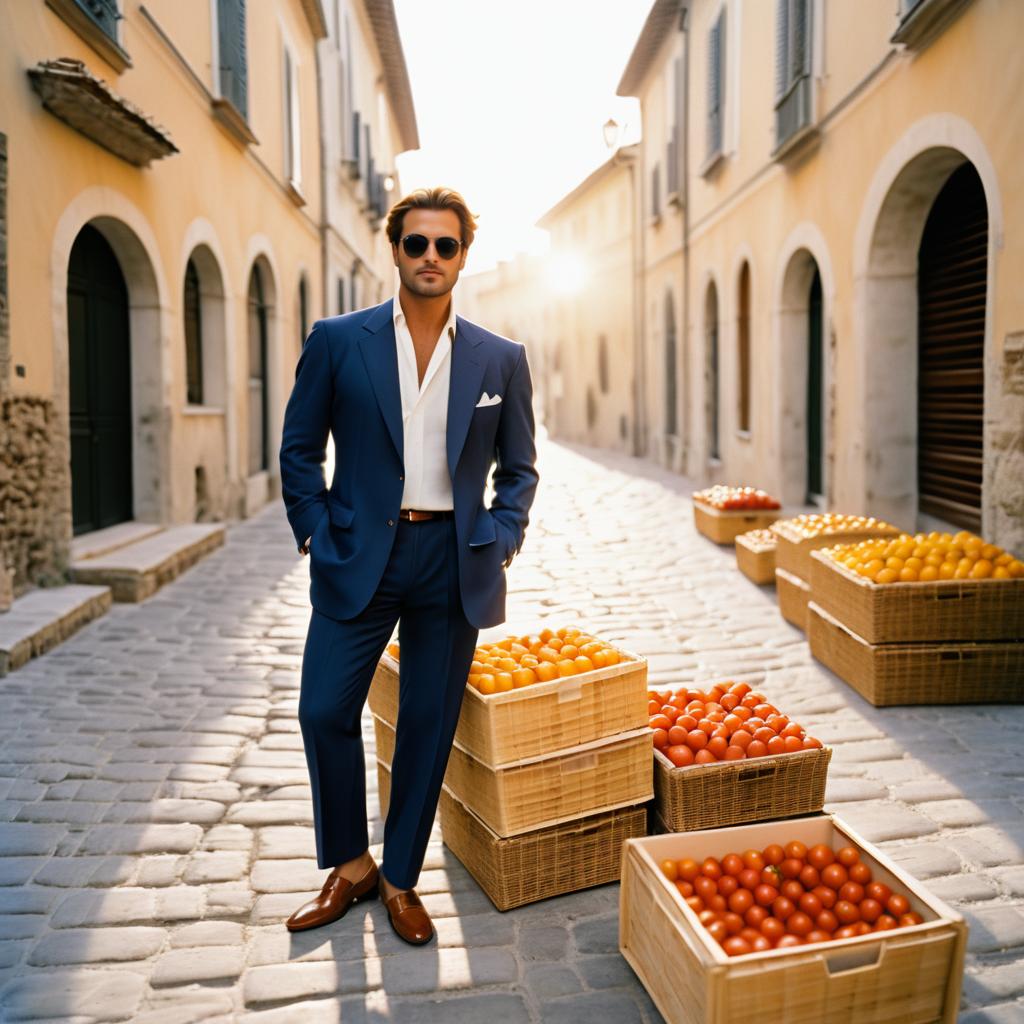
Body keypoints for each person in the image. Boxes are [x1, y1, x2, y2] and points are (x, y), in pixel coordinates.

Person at [278, 187, 538, 945]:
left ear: (463, 255)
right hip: (360, 551)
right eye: (417, 243)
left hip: (454, 558)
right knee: (323, 709)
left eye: (445, 245)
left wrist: (503, 535)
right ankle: (351, 863)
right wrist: (315, 532)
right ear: (394, 250)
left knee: (427, 721)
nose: (431, 257)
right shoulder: (337, 340)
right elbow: (299, 450)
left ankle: (398, 879)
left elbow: (518, 468)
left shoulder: (500, 358)